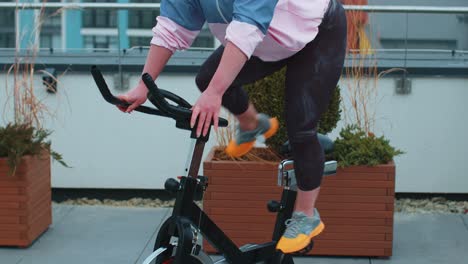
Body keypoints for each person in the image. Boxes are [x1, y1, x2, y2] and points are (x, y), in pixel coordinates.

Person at [117, 0, 347, 254]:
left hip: (315, 32)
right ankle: (252, 123)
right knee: (207, 78)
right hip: (266, 38)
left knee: (301, 126)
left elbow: (247, 27)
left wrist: (216, 92)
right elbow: (172, 27)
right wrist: (144, 86)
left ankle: (306, 215)